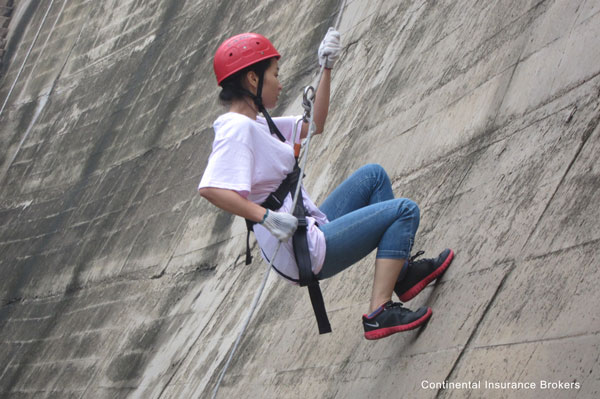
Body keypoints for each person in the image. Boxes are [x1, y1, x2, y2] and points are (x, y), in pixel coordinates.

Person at [198, 30, 454, 340]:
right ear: (253, 80)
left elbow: (314, 124)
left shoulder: (256, 123)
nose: (280, 84)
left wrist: (327, 67)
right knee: (405, 211)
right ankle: (379, 311)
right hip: (301, 247)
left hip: (306, 227)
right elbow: (211, 188)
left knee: (373, 176)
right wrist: (264, 216)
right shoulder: (236, 128)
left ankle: (402, 275)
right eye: (275, 75)